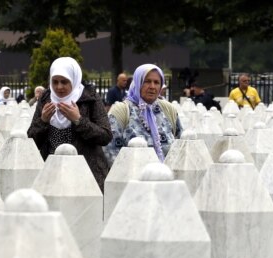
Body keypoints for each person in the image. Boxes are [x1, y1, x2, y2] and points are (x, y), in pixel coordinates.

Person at [27, 57, 111, 190]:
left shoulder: (90, 98)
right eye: (55, 82)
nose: (59, 87)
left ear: (74, 79)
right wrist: (43, 121)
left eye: (64, 82)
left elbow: (105, 136)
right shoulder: (45, 99)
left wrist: (78, 120)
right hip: (51, 175)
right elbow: (31, 141)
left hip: (86, 175)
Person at [106, 63, 182, 164]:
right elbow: (110, 152)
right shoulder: (121, 110)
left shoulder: (168, 109)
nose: (152, 86)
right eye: (147, 81)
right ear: (138, 83)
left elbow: (182, 146)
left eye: (156, 82)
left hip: (167, 176)